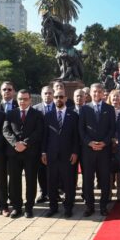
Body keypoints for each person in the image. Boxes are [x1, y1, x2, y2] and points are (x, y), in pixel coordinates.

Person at [3, 90, 44, 219]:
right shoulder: (10, 113)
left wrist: (25, 143)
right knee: (14, 181)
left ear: (30, 100)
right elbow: (6, 130)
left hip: (31, 153)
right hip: (14, 153)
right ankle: (16, 207)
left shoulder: (37, 114)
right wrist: (15, 143)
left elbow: (39, 131)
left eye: (25, 99)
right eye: (20, 99)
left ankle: (29, 207)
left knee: (31, 180)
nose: (23, 101)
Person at [79, 83, 116, 216]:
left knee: (105, 179)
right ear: (90, 93)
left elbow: (112, 128)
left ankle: (103, 206)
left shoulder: (109, 108)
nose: (97, 94)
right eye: (94, 91)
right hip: (88, 150)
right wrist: (89, 143)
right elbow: (81, 129)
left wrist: (104, 143)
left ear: (103, 93)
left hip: (104, 150)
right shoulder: (84, 109)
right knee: (88, 179)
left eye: (99, 91)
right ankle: (89, 206)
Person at [41, 88, 80, 218]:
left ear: (66, 98)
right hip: (51, 155)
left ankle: (68, 208)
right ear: (53, 99)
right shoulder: (48, 116)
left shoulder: (73, 115)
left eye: (61, 97)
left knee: (68, 183)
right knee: (51, 183)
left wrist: (75, 152)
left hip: (68, 155)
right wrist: (43, 152)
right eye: (56, 97)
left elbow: (76, 137)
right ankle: (53, 207)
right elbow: (45, 136)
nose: (59, 99)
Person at [33, 85, 56, 205]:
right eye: (45, 93)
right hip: (39, 144)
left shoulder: (59, 107)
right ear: (41, 95)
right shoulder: (35, 109)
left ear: (53, 94)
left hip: (55, 144)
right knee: (41, 170)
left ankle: (55, 193)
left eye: (50, 93)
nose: (48, 95)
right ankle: (43, 192)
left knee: (55, 170)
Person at [107, 89, 120, 201]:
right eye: (113, 96)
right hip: (108, 144)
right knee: (108, 170)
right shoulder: (106, 110)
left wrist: (119, 140)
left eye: (118, 96)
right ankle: (109, 192)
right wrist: (111, 140)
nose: (115, 98)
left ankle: (119, 191)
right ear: (110, 98)